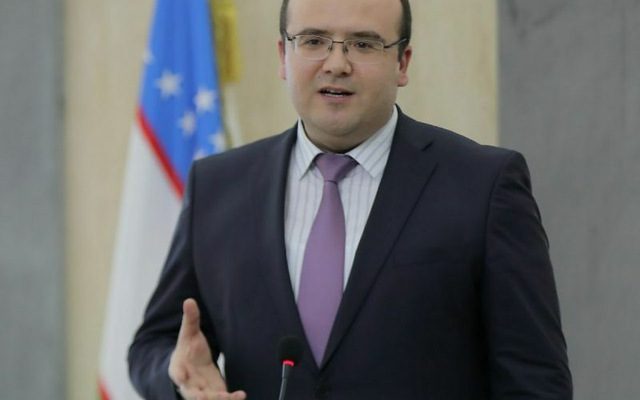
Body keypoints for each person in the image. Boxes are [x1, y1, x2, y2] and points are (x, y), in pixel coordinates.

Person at [128, 0, 573, 399]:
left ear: (402, 62)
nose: (336, 64)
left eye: (363, 44)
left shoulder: (483, 186)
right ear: (283, 56)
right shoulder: (218, 185)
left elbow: (535, 381)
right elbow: (153, 344)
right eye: (313, 40)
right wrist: (178, 377)